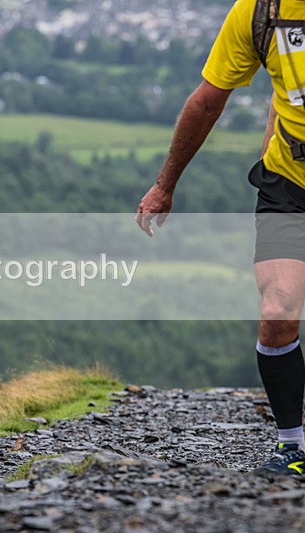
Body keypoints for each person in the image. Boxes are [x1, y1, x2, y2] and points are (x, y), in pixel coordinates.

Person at [135, 0, 305, 475]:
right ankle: (293, 446)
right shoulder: (259, 12)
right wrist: (165, 185)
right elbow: (207, 99)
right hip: (288, 185)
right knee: (276, 313)